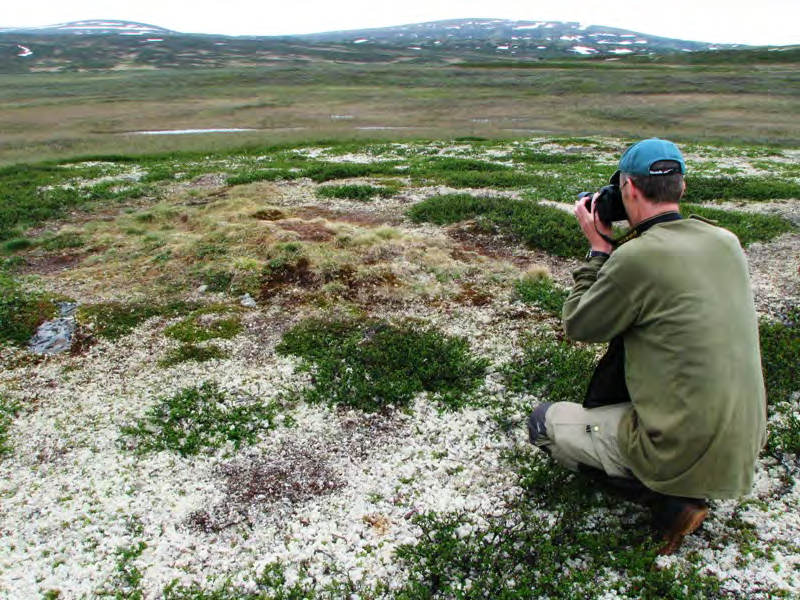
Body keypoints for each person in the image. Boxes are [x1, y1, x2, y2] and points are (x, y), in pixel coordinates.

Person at [527, 138, 767, 555]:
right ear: (682, 188)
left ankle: (668, 500)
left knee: (544, 422)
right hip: (746, 444)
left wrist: (598, 250)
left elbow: (580, 324)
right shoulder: (726, 241)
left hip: (679, 447)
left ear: (630, 190)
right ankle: (686, 475)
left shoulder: (637, 256)